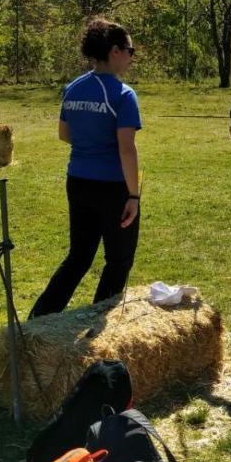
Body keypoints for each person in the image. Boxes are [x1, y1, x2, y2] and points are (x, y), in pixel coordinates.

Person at [30, 18, 142, 318]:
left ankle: (37, 321)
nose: (132, 57)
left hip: (78, 181)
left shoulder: (73, 88)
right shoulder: (123, 95)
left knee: (78, 258)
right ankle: (98, 324)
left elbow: (64, 134)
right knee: (118, 260)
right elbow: (126, 149)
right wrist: (134, 195)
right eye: (130, 50)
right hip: (112, 187)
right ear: (115, 51)